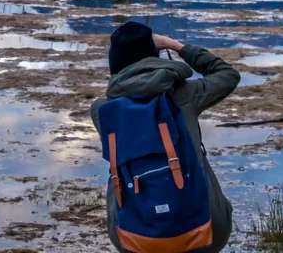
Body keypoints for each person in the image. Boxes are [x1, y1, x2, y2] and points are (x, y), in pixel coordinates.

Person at [90, 21, 241, 253]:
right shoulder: (184, 95)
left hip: (134, 239)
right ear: (154, 53)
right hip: (207, 232)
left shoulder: (102, 110)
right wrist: (175, 45)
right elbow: (227, 75)